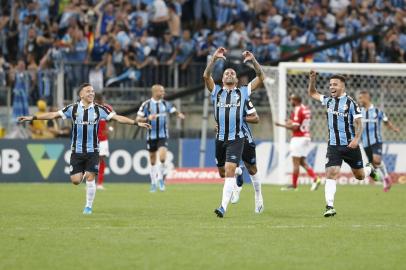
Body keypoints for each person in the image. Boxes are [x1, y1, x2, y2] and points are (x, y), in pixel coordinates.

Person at [19, 83, 151, 215]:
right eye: (88, 91)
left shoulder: (100, 109)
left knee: (90, 177)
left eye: (92, 91)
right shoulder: (73, 109)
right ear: (81, 94)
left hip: (93, 150)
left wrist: (136, 123)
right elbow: (53, 115)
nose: (91, 93)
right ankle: (83, 176)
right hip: (76, 150)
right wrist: (32, 117)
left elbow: (117, 118)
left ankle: (88, 207)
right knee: (76, 181)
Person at [307, 71, 380, 217]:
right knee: (331, 173)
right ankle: (329, 206)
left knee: (359, 176)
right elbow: (312, 93)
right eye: (330, 85)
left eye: (335, 84)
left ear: (342, 86)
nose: (331, 87)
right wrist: (312, 79)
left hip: (350, 145)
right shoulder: (328, 101)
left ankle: (369, 170)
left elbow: (359, 123)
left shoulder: (351, 103)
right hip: (333, 146)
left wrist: (356, 139)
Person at [203, 47, 265, 218]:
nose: (229, 74)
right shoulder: (216, 91)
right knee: (223, 172)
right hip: (220, 137)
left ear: (237, 80)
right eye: (226, 73)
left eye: (232, 73)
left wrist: (253, 61)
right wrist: (214, 59)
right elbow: (206, 76)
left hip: (238, 137)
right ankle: (238, 172)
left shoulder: (244, 92)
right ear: (222, 79)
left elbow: (261, 77)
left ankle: (226, 206)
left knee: (249, 168)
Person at [136, 84, 185, 192]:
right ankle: (153, 183)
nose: (163, 93)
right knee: (153, 161)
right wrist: (147, 118)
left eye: (163, 91)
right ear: (155, 92)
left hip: (163, 135)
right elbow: (138, 118)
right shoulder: (146, 104)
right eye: (161, 91)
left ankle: (161, 179)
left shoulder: (165, 103)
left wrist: (179, 114)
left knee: (162, 158)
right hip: (151, 135)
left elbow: (173, 110)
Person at [275, 94, 321, 191]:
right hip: (306, 137)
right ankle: (315, 179)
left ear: (295, 101)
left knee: (295, 163)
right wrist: (290, 121)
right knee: (302, 162)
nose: (290, 102)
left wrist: (280, 125)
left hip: (298, 138)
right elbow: (300, 122)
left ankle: (294, 185)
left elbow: (295, 127)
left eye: (291, 100)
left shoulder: (297, 109)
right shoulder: (306, 108)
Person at [357, 90, 400, 192]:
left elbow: (386, 121)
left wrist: (394, 128)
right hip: (365, 143)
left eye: (361, 98)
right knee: (373, 168)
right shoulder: (359, 111)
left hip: (376, 141)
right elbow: (356, 124)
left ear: (366, 98)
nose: (359, 100)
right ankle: (384, 181)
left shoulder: (377, 111)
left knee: (376, 160)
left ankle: (386, 177)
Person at [230, 98, 262, 207]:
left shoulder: (243, 99)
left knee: (252, 169)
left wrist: (240, 118)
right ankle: (236, 188)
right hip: (228, 138)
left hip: (245, 138)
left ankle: (258, 195)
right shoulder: (219, 99)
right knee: (228, 165)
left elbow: (256, 118)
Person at [95, 93, 113, 190]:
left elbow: (114, 119)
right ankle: (91, 183)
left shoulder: (107, 108)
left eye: (101, 101)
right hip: (92, 139)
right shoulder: (90, 109)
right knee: (91, 160)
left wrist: (109, 129)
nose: (101, 103)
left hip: (103, 140)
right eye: (99, 101)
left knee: (101, 159)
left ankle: (100, 183)